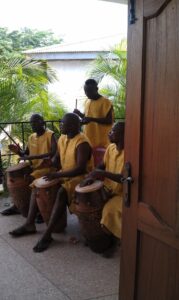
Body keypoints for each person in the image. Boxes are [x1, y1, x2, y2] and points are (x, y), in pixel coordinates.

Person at [9, 113, 94, 253]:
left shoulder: (82, 142)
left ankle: (47, 235)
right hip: (65, 174)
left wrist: (57, 174)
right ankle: (29, 224)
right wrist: (50, 163)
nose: (60, 125)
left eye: (63, 123)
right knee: (37, 184)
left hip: (81, 177)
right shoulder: (62, 138)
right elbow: (57, 159)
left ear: (72, 126)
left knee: (61, 192)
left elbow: (80, 169)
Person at [1, 114, 57, 217]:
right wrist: (18, 151)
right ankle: (18, 205)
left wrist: (33, 157)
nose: (33, 125)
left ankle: (40, 210)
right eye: (31, 123)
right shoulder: (31, 137)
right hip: (33, 168)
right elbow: (26, 154)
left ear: (43, 122)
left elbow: (54, 152)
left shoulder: (50, 135)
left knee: (29, 178)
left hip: (47, 168)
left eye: (35, 122)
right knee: (13, 176)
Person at [84, 121, 125, 257]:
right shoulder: (110, 149)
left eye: (113, 131)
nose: (109, 133)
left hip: (122, 193)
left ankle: (113, 242)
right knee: (89, 203)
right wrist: (93, 175)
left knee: (108, 210)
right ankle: (96, 236)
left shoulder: (131, 153)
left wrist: (102, 174)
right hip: (107, 187)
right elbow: (101, 165)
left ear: (123, 135)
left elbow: (124, 179)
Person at [74, 78, 114, 149]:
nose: (87, 94)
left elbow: (109, 121)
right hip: (88, 140)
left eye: (89, 91)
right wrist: (79, 113)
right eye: (85, 91)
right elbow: (86, 117)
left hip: (102, 142)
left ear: (96, 89)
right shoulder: (87, 101)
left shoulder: (106, 102)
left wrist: (92, 119)